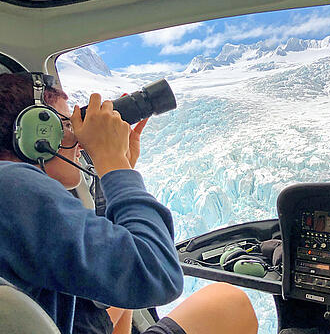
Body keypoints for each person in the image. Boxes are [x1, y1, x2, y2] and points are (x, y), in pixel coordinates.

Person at [0, 73, 258, 334]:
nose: (77, 140)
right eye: (66, 125)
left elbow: (120, 284)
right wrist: (114, 165)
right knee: (228, 303)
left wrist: (114, 172)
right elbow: (157, 272)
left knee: (223, 302)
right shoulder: (10, 185)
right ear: (35, 133)